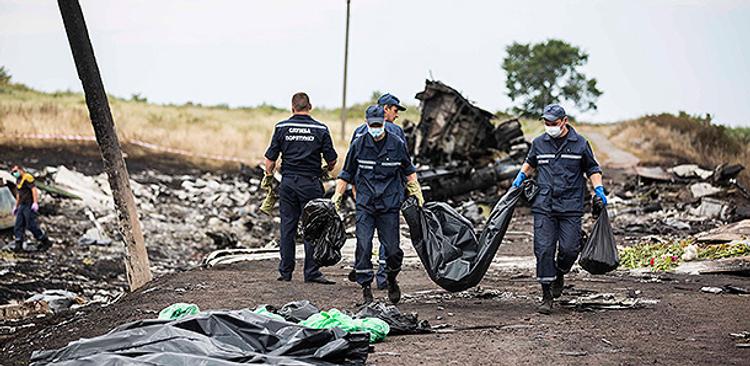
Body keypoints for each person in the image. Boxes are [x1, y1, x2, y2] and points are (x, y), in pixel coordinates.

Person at [511, 104, 607, 314]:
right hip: (544, 205)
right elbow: (530, 163)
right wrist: (520, 178)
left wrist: (598, 189)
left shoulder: (580, 144)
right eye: (546, 123)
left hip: (571, 205)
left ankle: (560, 271)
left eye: (553, 123)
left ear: (564, 121)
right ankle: (546, 296)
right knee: (543, 249)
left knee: (569, 249)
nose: (549, 126)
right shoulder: (539, 143)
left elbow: (592, 168)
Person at [333, 105, 424, 305]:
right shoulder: (358, 144)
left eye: (378, 124)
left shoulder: (397, 143)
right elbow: (346, 173)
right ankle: (366, 287)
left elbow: (408, 170)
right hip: (365, 204)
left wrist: (416, 191)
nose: (375, 128)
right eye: (372, 125)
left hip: (389, 205)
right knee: (363, 245)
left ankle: (391, 279)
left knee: (392, 250)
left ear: (383, 122)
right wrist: (337, 198)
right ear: (367, 123)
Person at [263, 92, 338, 284]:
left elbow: (269, 160)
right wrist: (326, 169)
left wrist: (269, 179)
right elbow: (332, 160)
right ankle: (311, 272)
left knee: (287, 226)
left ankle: (285, 272)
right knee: (312, 227)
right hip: (311, 184)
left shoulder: (282, 127)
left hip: (288, 183)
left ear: (292, 107)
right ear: (310, 106)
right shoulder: (321, 129)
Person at [349, 93, 407, 290]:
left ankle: (370, 274)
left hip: (367, 193)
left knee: (366, 240)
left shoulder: (358, 131)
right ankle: (384, 278)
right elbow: (404, 166)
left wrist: (355, 189)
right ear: (386, 109)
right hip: (387, 195)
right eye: (395, 110)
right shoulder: (397, 133)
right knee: (388, 240)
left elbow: (352, 166)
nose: (397, 115)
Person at [10, 165, 51, 252]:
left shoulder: (27, 177)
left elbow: (34, 190)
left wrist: (35, 202)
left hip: (29, 204)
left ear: (21, 170)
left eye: (15, 171)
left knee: (31, 225)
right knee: (18, 225)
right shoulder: (18, 180)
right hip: (22, 205)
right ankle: (18, 245)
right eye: (13, 172)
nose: (14, 173)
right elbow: (18, 195)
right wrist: (16, 206)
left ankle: (44, 241)